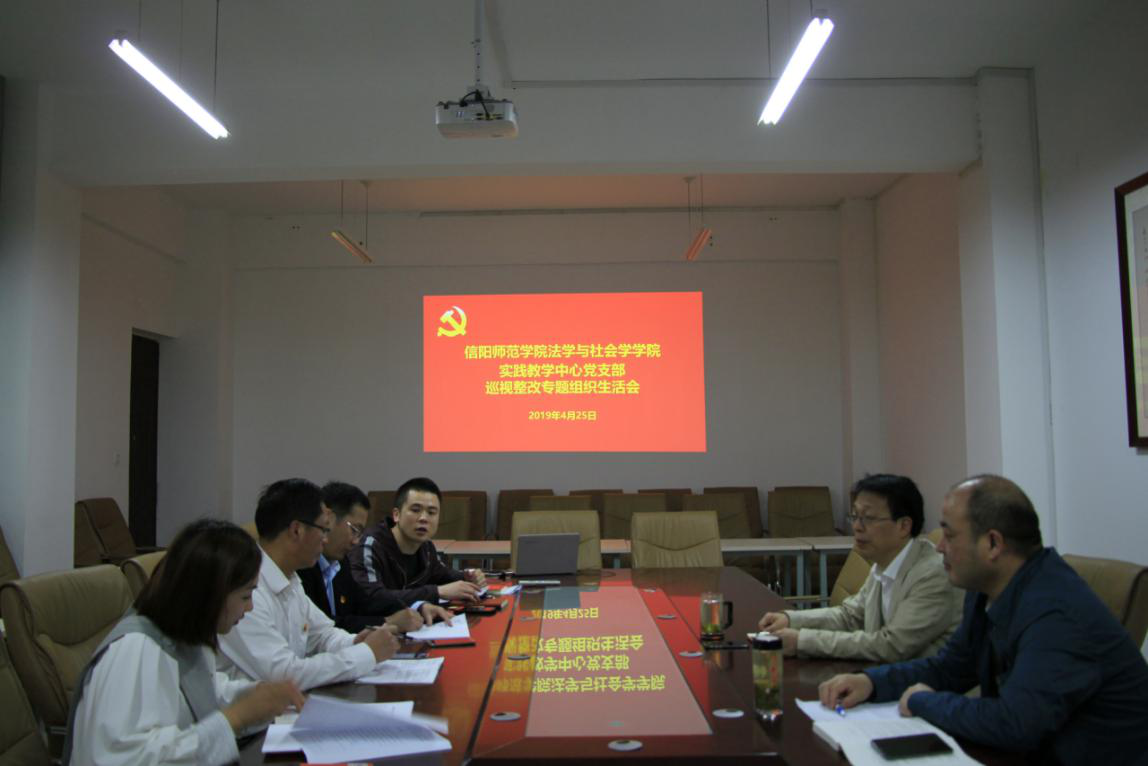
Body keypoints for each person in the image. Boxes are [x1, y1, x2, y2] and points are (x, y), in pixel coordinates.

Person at [819, 475, 1148, 765]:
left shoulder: (1055, 612)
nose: (939, 548)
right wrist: (872, 682)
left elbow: (1015, 723)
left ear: (993, 544)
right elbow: (951, 668)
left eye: (949, 536)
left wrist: (923, 701)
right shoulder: (987, 588)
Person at [66, 518, 305, 766]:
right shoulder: (135, 651)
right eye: (245, 596)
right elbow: (126, 759)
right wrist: (236, 718)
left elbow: (201, 690)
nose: (250, 607)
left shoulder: (185, 636)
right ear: (211, 594)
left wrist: (254, 695)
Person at [219, 478, 399, 690]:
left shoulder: (291, 579)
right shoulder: (246, 589)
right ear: (297, 530)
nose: (325, 539)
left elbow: (323, 635)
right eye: (323, 529)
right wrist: (366, 653)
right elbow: (285, 674)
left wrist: (356, 642)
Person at [758, 474, 962, 661]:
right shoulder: (883, 564)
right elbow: (850, 616)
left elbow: (891, 646)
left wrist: (802, 641)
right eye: (854, 516)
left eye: (868, 518)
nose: (856, 526)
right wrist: (790, 619)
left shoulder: (933, 574)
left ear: (904, 526)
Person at [298, 481, 454, 632]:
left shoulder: (339, 562)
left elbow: (365, 601)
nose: (356, 541)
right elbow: (322, 629)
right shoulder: (303, 567)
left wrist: (418, 607)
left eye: (431, 512)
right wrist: (387, 621)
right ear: (329, 521)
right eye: (354, 529)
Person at [349, 476, 486, 606]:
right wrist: (437, 592)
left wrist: (466, 577)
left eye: (431, 512)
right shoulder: (370, 546)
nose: (423, 518)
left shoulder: (426, 547)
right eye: (415, 510)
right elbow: (372, 597)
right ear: (396, 515)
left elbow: (441, 574)